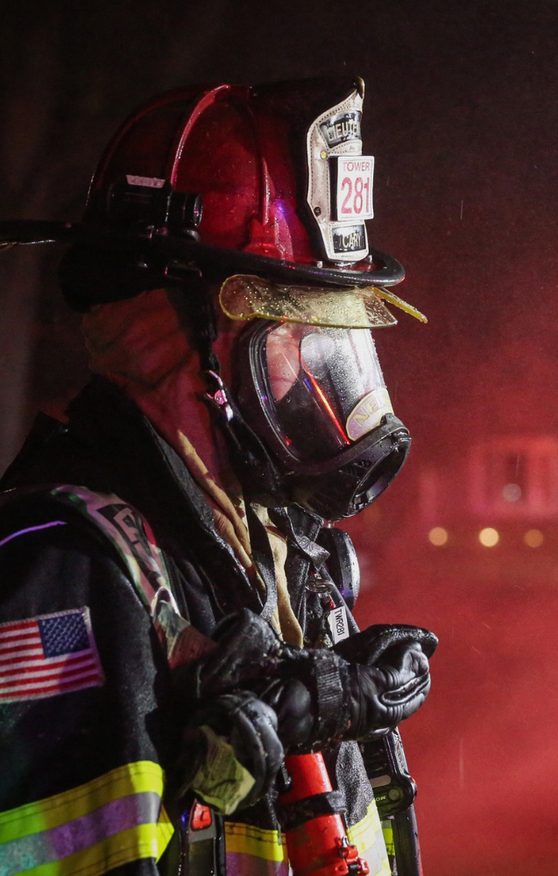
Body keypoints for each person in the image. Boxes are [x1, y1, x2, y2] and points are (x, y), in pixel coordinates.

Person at [0, 77, 436, 876]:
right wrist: (207, 769)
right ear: (185, 343)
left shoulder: (287, 552)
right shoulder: (62, 572)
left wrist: (323, 706)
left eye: (337, 350)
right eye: (297, 344)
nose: (324, 393)